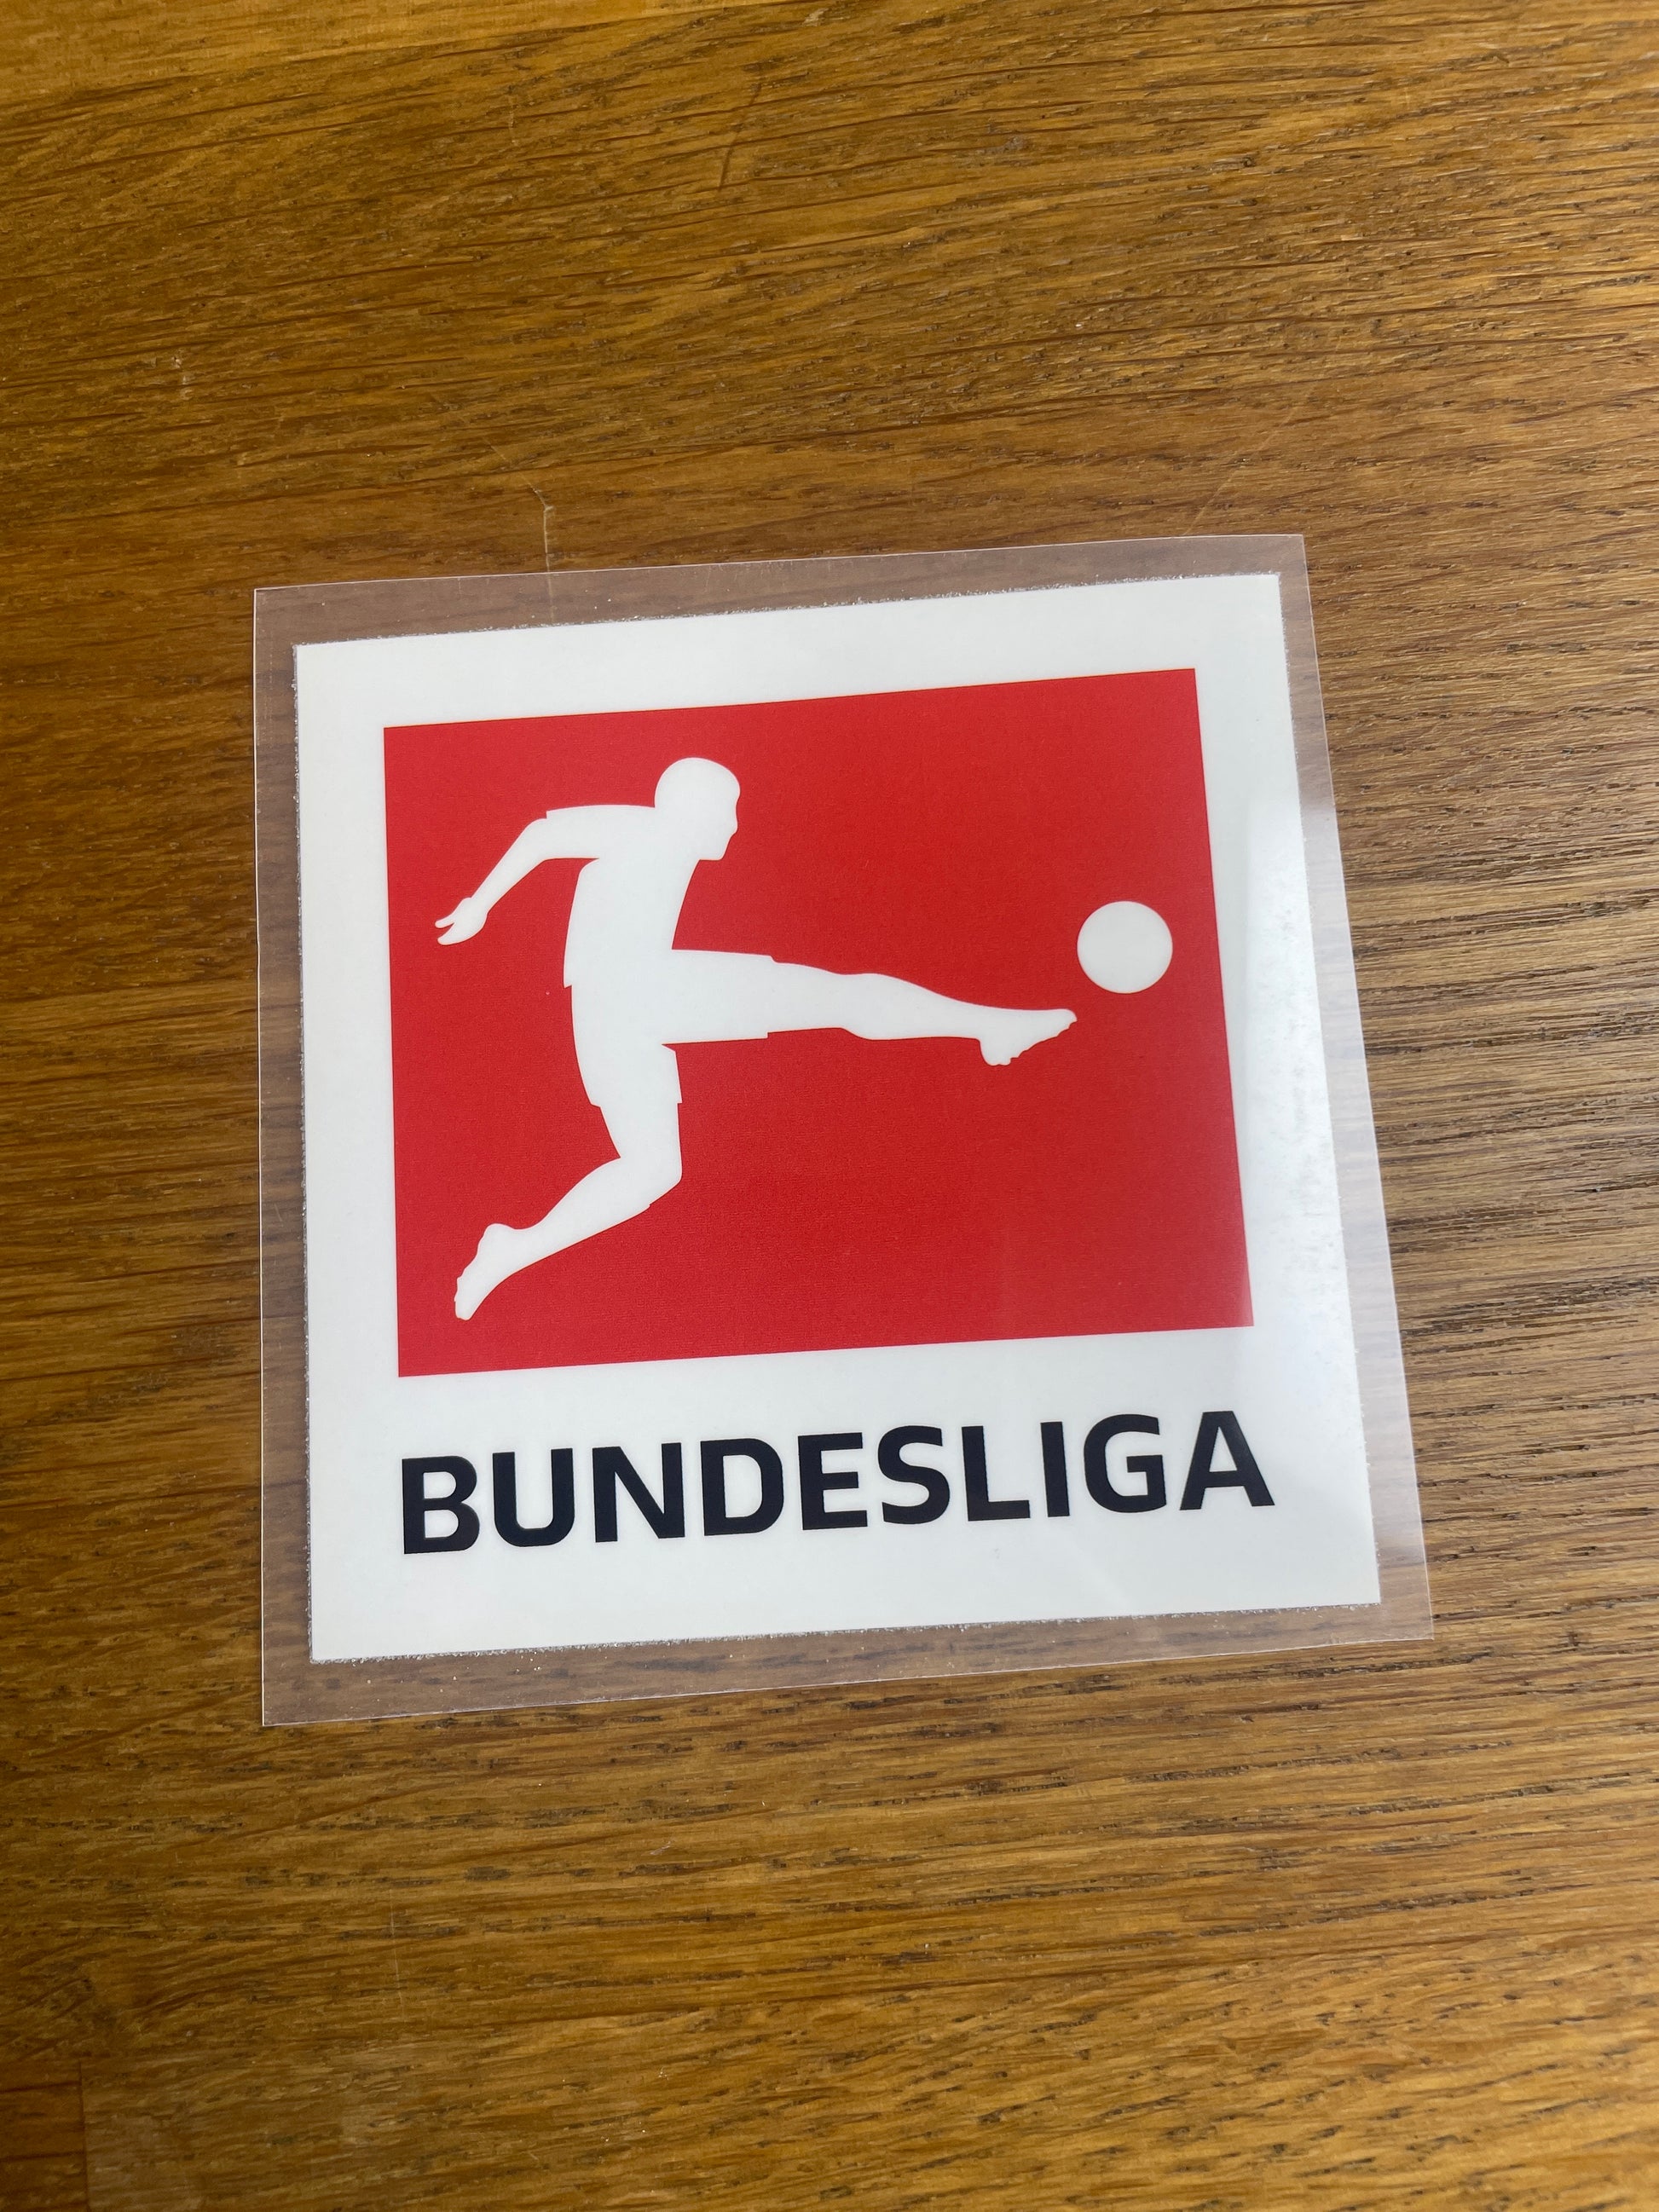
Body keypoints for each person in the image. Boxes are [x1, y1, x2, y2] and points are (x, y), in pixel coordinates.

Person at [437, 757, 1074, 1317]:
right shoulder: (647, 827)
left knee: (654, 1169)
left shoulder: (659, 841)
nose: (734, 824)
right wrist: (479, 903)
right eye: (728, 809)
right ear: (695, 808)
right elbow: (544, 834)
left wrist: (484, 904)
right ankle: (988, 1026)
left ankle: (514, 1248)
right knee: (838, 997)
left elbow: (546, 839)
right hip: (644, 987)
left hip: (608, 1017)